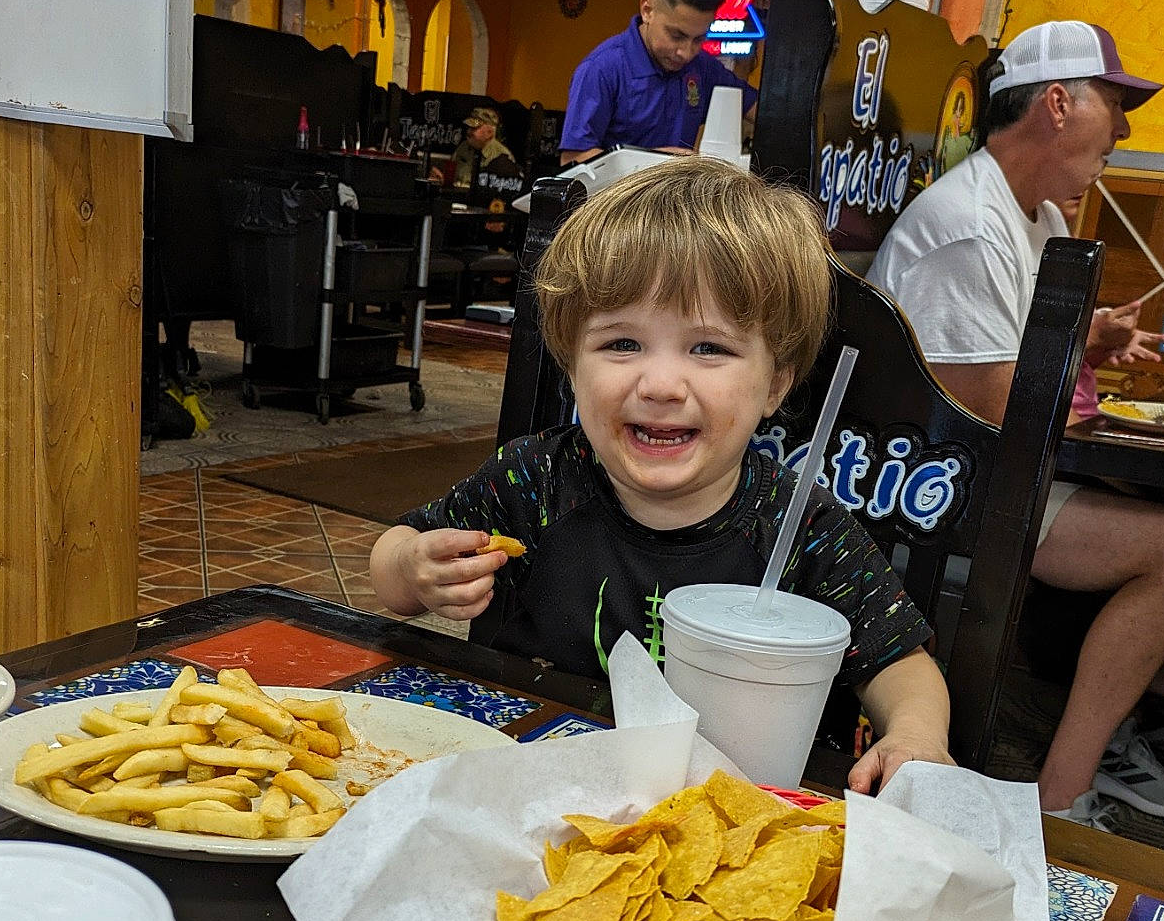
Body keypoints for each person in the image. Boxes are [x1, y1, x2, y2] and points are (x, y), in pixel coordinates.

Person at [370, 159, 951, 796]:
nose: (661, 385)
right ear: (572, 368)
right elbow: (394, 565)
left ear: (775, 385)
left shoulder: (802, 525)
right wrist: (415, 569)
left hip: (735, 814)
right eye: (622, 344)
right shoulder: (533, 480)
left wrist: (916, 734)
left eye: (709, 348)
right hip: (526, 789)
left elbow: (901, 662)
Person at [868, 20, 1164, 827]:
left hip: (994, 464)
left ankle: (1124, 716)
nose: (1124, 129)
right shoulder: (968, 225)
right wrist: (1086, 383)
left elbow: (1022, 369)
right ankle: (1060, 795)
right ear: (1055, 104)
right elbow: (985, 413)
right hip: (939, 483)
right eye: (1115, 104)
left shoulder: (1036, 215)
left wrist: (1088, 341)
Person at [558, 0, 756, 165]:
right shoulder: (601, 69)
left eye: (699, 39)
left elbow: (759, 110)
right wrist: (652, 162)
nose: (686, 52)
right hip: (621, 188)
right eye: (676, 36)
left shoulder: (703, 67)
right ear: (647, 10)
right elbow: (572, 159)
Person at [451, 107, 520, 189]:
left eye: (474, 128)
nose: (468, 131)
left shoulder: (502, 157)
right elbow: (451, 172)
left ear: (489, 132)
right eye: (469, 127)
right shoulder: (464, 147)